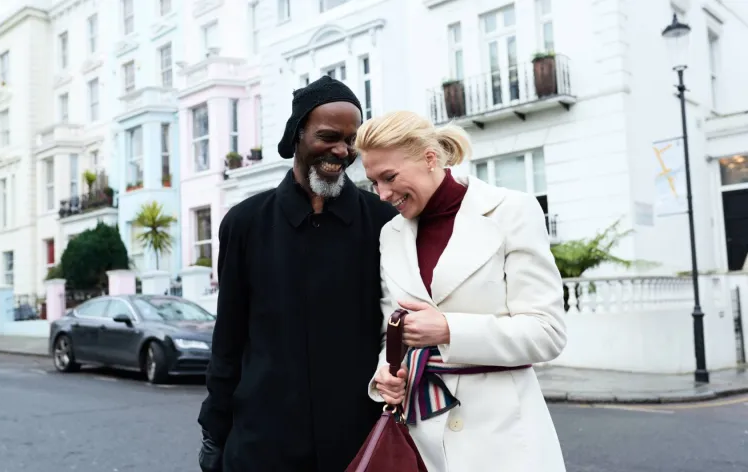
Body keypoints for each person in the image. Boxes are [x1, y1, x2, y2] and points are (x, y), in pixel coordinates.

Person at [197, 76, 398, 472]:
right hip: (263, 443)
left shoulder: (384, 222)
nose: (341, 150)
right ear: (296, 136)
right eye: (328, 136)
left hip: (358, 440)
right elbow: (229, 337)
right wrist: (214, 430)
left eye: (350, 139)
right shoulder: (245, 223)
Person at [357, 110, 567, 472]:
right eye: (374, 183)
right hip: (421, 437)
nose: (382, 194)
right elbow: (394, 328)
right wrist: (387, 373)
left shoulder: (511, 211)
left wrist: (449, 330)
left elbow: (547, 332)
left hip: (504, 438)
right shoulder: (391, 234)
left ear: (429, 158)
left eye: (389, 178)